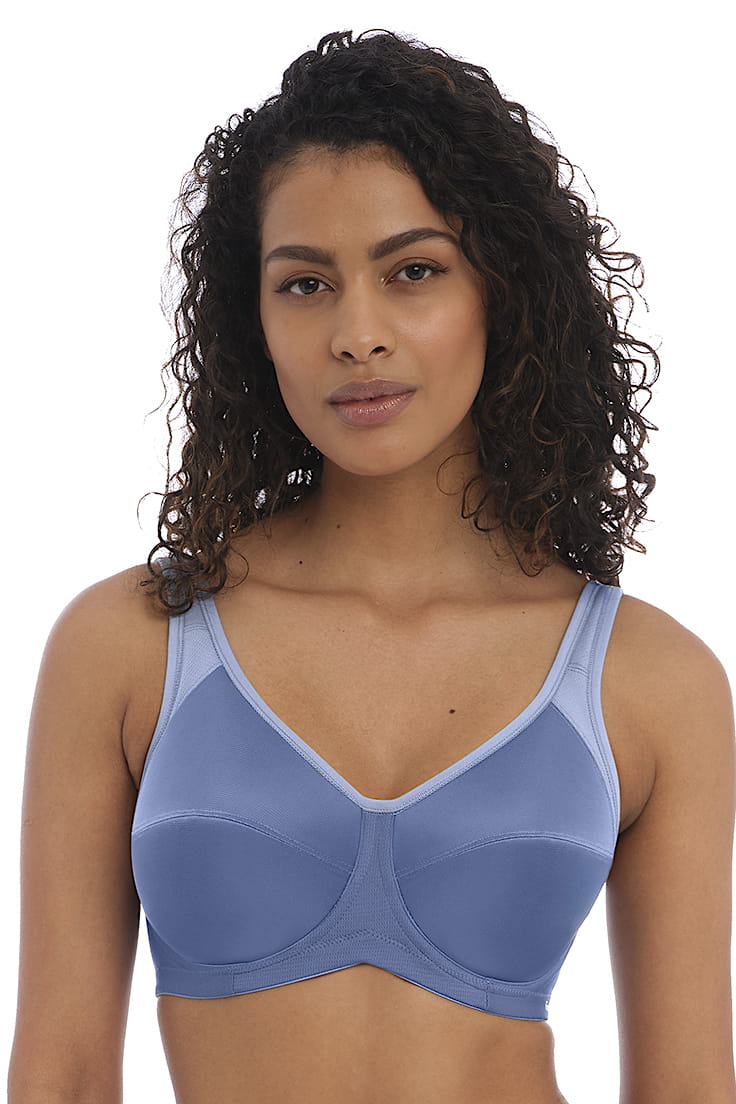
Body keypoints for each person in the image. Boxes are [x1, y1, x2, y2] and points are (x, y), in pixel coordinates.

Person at [7, 26, 735, 1104]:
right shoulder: (131, 642)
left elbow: (690, 1089)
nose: (357, 334)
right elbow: (60, 1075)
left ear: (504, 290)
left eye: (413, 272)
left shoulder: (651, 679)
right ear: (253, 320)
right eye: (305, 284)